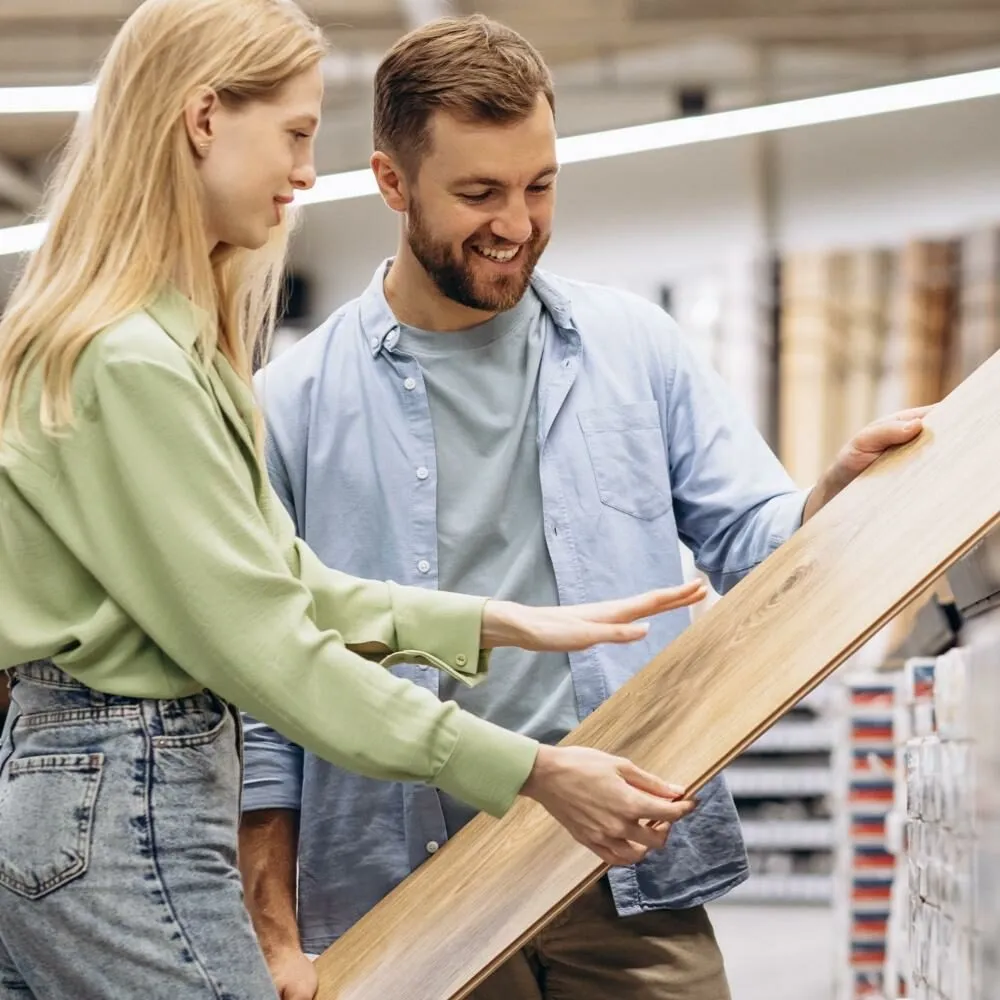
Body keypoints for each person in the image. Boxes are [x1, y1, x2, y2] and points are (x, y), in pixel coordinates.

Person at [0, 3, 709, 998]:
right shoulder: (131, 359)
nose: (304, 170)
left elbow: (278, 581)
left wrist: (491, 622)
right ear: (204, 118)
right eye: (293, 132)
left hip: (101, 791)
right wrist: (533, 769)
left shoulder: (157, 342)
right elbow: (271, 649)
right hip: (128, 798)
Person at [239, 13, 930, 1000]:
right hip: (402, 889)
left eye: (539, 185)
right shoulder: (294, 404)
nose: (516, 222)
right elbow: (265, 698)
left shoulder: (633, 349)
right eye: (477, 192)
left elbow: (753, 543)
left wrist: (828, 497)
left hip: (624, 867)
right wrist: (272, 930)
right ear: (392, 183)